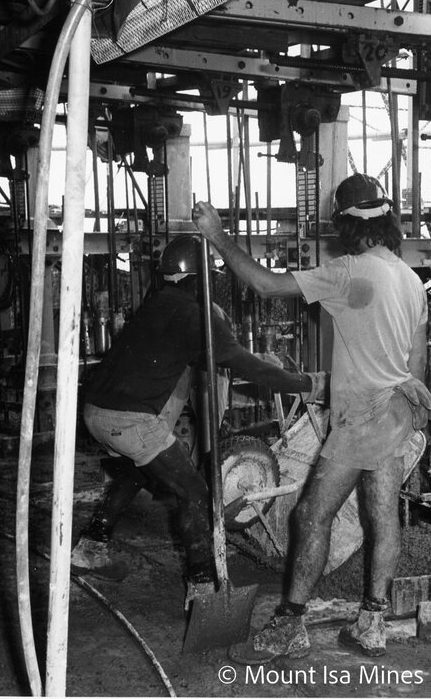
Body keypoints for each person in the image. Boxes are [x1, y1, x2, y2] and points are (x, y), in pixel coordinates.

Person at [192, 173, 431, 660]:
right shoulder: (411, 280)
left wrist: (216, 235)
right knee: (382, 517)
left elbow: (264, 284)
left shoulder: (348, 272)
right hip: (396, 413)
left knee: (310, 514)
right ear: (387, 220)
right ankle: (371, 624)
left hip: (362, 418)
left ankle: (290, 624)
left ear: (346, 226)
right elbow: (417, 365)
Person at [71, 235, 324, 608]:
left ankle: (91, 547)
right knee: (195, 494)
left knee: (140, 470)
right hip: (131, 420)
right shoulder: (197, 315)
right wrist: (303, 384)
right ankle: (203, 590)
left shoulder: (154, 305)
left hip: (95, 413)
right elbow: (241, 362)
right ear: (203, 278)